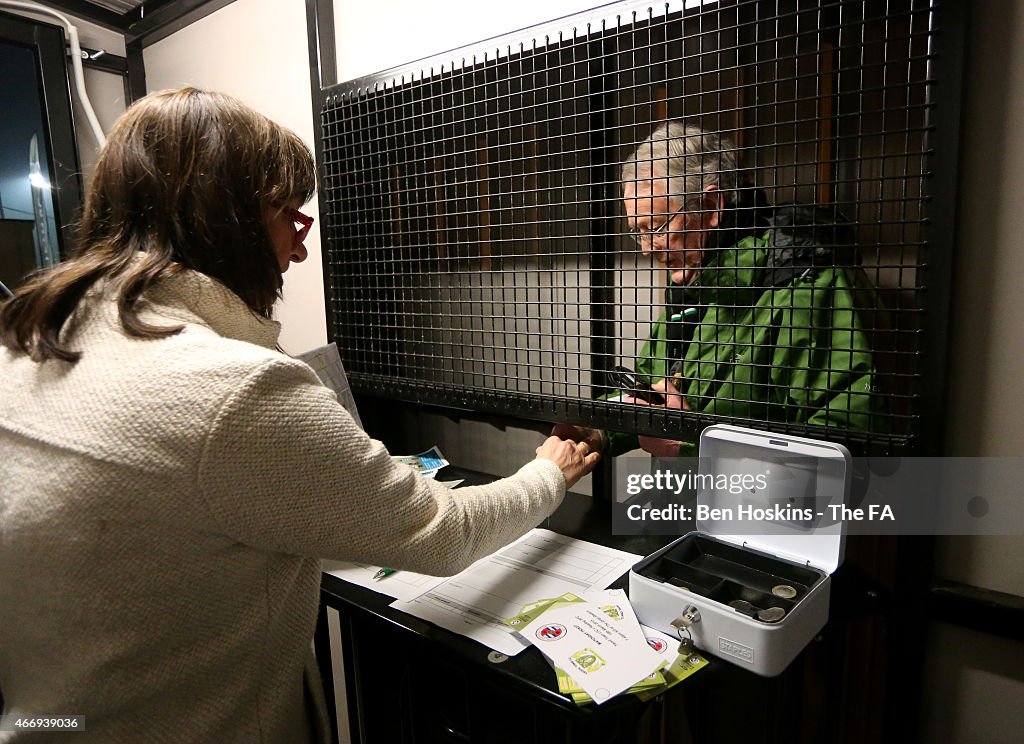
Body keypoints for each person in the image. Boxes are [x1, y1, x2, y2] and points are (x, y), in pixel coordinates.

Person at [0, 87, 599, 744]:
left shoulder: (26, 345)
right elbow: (442, 533)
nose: (299, 249)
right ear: (228, 219)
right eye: (292, 217)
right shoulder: (234, 390)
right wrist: (548, 471)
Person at [556, 120, 881, 458]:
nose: (647, 249)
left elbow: (846, 444)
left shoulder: (804, 284)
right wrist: (593, 429)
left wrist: (693, 448)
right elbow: (655, 381)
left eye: (655, 227)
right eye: (638, 232)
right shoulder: (691, 281)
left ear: (710, 208)